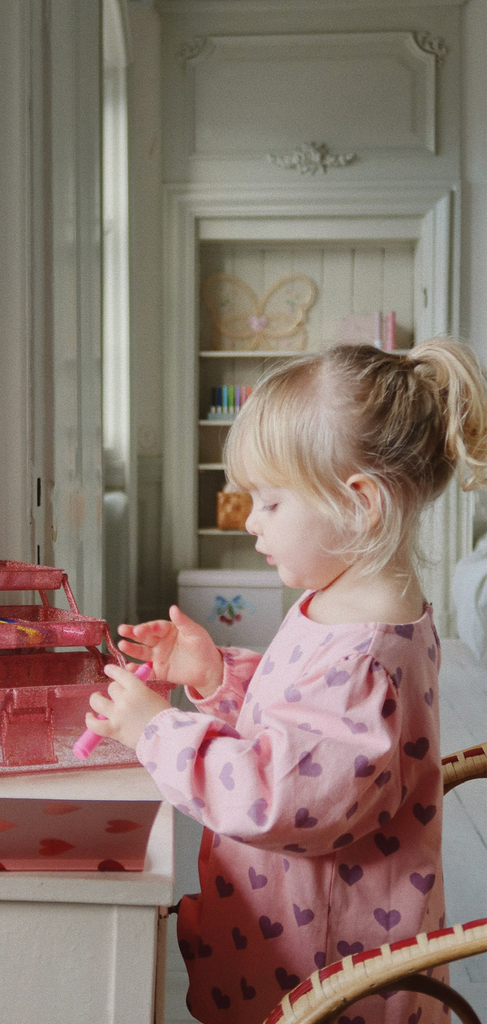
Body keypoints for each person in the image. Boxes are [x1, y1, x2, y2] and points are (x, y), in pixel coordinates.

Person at [85, 339, 487, 1024]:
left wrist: (157, 730)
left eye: (271, 503)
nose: (251, 522)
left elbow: (280, 796)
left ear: (359, 504)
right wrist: (217, 677)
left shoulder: (364, 657)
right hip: (293, 931)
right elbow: (300, 730)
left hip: (326, 972)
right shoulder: (347, 609)